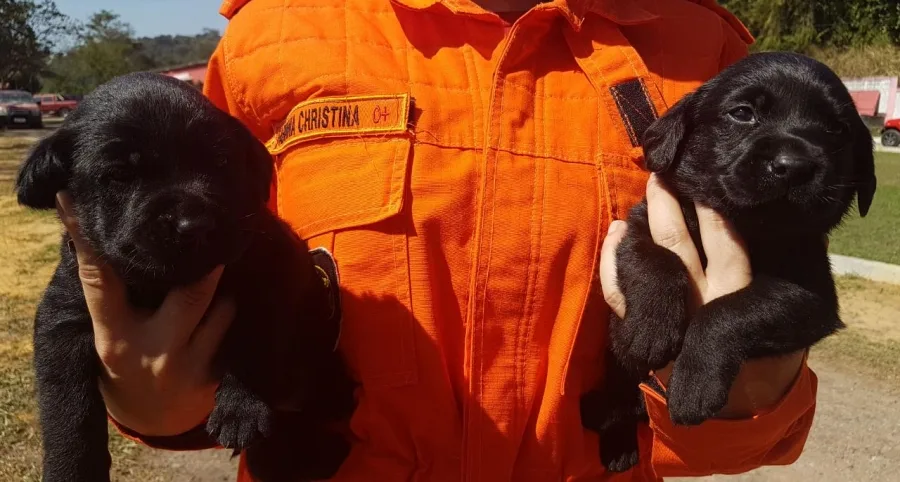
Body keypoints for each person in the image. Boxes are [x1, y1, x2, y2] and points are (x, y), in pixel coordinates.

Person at [54, 0, 818, 480]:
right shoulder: (277, 31)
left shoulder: (703, 52)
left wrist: (741, 403)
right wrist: (160, 407)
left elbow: (749, 382)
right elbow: (194, 305)